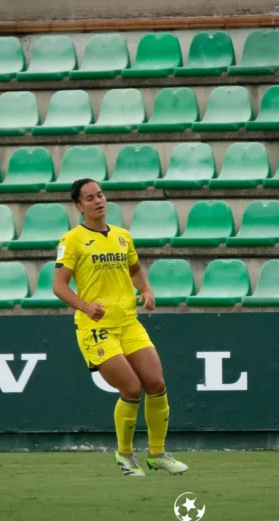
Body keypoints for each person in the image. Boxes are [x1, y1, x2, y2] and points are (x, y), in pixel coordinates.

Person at [53, 179, 189, 477]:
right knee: (131, 388)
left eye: (100, 195)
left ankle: (157, 454)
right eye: (90, 198)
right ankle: (125, 455)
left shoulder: (122, 236)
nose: (98, 201)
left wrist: (147, 290)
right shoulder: (72, 240)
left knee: (156, 384)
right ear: (79, 206)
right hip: (96, 327)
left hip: (128, 322)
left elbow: (135, 269)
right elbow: (59, 287)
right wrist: (85, 306)